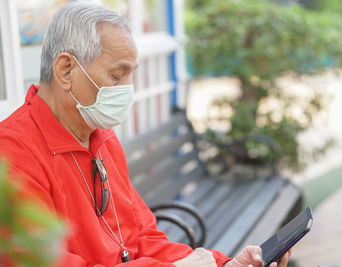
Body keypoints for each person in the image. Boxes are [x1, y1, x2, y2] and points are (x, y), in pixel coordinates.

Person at [0, 2, 291, 267]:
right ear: (65, 70)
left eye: (131, 75)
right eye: (117, 75)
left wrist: (222, 264)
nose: (128, 89)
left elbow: (141, 238)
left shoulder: (102, 138)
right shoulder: (12, 155)